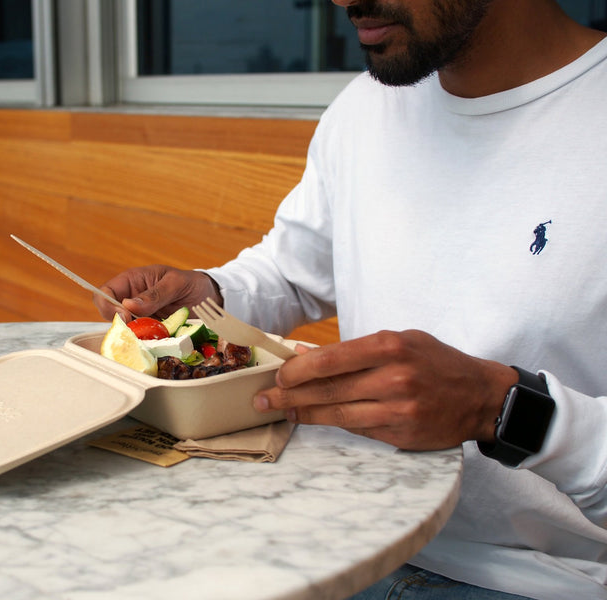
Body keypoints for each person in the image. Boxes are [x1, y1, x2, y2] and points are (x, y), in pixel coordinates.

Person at [94, 1, 607, 597]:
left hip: (536, 577)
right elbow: (294, 270)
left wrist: (499, 409)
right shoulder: (365, 107)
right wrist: (209, 294)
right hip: (337, 527)